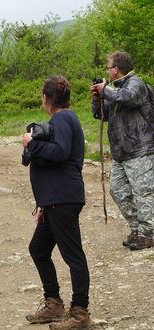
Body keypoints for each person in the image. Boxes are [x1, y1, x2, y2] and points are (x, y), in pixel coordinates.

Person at [23, 76, 90, 329]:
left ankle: (80, 313)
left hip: (64, 198)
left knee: (73, 256)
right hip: (55, 200)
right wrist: (44, 204)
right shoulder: (64, 118)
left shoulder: (62, 118)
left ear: (45, 98)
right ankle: (54, 304)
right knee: (38, 249)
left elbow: (60, 152)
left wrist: (32, 144)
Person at [91, 51, 154, 250]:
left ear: (116, 69)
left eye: (109, 67)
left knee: (143, 193)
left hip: (140, 149)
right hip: (121, 152)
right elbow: (102, 116)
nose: (107, 71)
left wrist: (106, 89)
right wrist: (97, 98)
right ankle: (137, 229)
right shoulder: (115, 89)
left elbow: (128, 98)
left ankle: (149, 233)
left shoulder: (135, 83)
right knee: (117, 190)